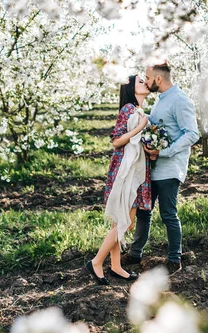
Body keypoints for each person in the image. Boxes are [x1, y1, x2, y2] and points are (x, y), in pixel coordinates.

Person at [121, 61, 200, 275]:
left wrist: (164, 152)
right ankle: (135, 253)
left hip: (169, 168)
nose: (146, 82)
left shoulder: (180, 100)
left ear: (158, 79)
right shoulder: (160, 101)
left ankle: (175, 259)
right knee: (144, 212)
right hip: (152, 169)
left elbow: (192, 134)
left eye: (147, 78)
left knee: (168, 214)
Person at [85, 75, 151, 285]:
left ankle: (115, 267)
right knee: (127, 222)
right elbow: (116, 141)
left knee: (119, 220)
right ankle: (96, 262)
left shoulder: (139, 111)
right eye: (141, 81)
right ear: (132, 88)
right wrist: (140, 128)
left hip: (135, 168)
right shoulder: (128, 110)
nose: (146, 82)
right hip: (125, 170)